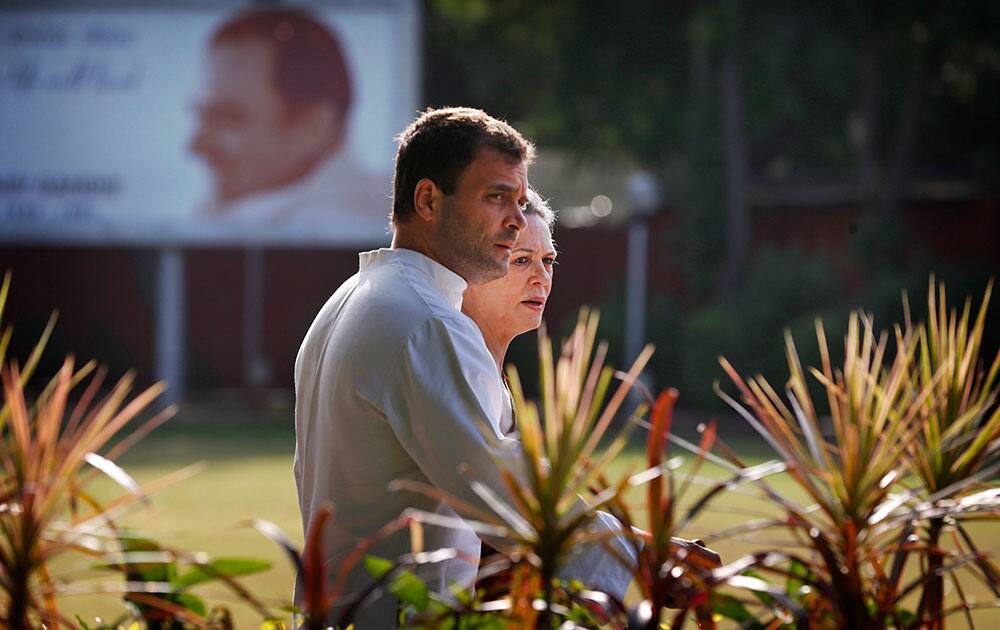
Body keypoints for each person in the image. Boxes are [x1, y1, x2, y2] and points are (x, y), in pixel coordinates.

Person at [189, 8, 387, 237]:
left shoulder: (343, 224)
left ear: (313, 127)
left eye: (228, 118)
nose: (195, 146)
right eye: (201, 115)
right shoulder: (233, 212)